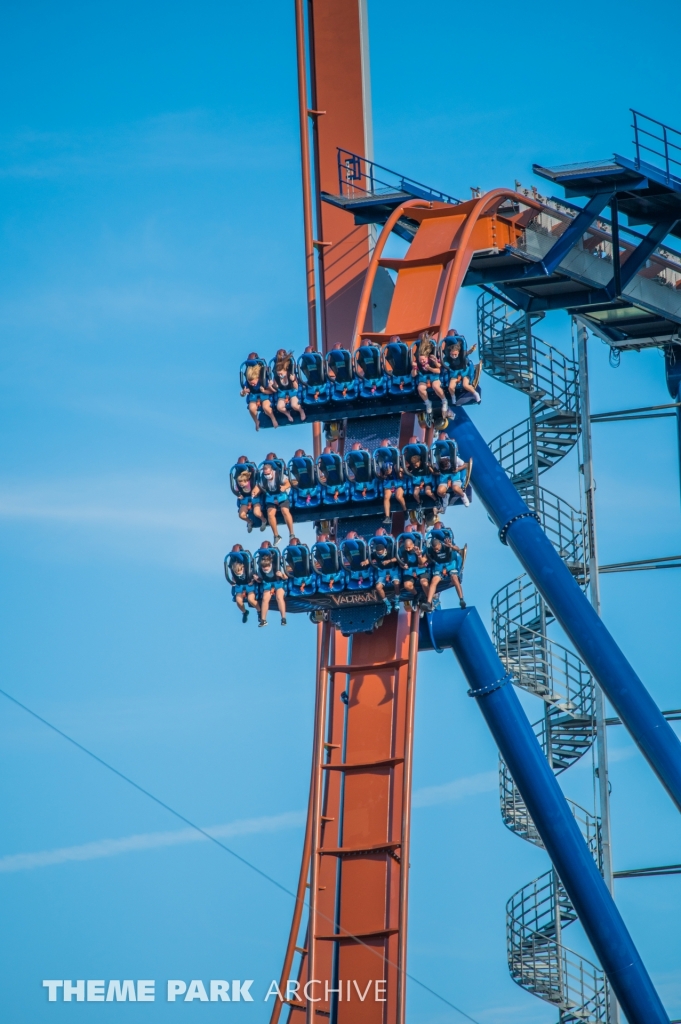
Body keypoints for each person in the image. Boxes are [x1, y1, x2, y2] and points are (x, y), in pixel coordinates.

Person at [425, 527, 466, 609]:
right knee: (434, 581)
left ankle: (461, 599)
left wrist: (451, 546)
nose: (436, 551)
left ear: (440, 544)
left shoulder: (446, 545)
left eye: (437, 549)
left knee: (454, 578)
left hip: (450, 564)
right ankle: (428, 603)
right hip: (439, 565)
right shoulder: (431, 549)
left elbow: (458, 549)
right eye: (434, 549)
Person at [258, 453, 294, 544]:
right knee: (270, 514)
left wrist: (285, 487)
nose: (267, 475)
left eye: (268, 473)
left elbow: (288, 482)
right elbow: (258, 486)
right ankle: (276, 535)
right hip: (271, 496)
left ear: (272, 470)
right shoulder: (263, 478)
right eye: (265, 474)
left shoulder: (279, 475)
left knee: (284, 511)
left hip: (281, 495)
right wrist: (255, 491)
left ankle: (291, 534)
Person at [413, 331, 448, 417]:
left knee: (436, 386)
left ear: (426, 357)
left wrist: (430, 368)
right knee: (420, 388)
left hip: (434, 376)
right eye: (421, 360)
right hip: (423, 378)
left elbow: (439, 370)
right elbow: (413, 375)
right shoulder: (417, 362)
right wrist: (414, 368)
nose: (422, 361)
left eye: (423, 360)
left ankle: (444, 401)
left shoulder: (432, 358)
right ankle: (428, 403)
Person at [240, 353, 278, 429]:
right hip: (254, 396)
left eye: (253, 383)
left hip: (264, 395)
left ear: (257, 378)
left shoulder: (263, 380)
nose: (252, 385)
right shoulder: (248, 382)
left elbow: (272, 391)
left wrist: (264, 391)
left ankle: (273, 418)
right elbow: (242, 393)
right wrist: (244, 392)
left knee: (266, 407)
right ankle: (256, 421)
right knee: (251, 408)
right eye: (251, 384)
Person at [432, 434, 471, 508]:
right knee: (439, 491)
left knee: (455, 488)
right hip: (444, 479)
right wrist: (436, 472)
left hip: (455, 478)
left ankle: (463, 496)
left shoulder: (454, 459)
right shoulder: (438, 461)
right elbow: (435, 470)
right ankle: (445, 497)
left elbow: (465, 465)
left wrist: (458, 469)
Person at [441, 331, 480, 404]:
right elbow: (445, 362)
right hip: (455, 372)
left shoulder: (462, 355)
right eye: (452, 354)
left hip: (464, 371)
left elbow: (467, 353)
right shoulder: (448, 357)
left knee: (465, 385)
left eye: (455, 355)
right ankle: (453, 397)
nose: (454, 356)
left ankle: (475, 394)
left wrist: (472, 349)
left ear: (458, 352)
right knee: (451, 387)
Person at [254, 541, 288, 626]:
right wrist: (257, 579)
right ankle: (263, 620)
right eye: (263, 568)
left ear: (270, 565)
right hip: (267, 584)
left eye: (267, 567)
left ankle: (283, 618)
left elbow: (286, 577)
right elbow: (260, 580)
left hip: (278, 582)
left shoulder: (276, 566)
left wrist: (281, 575)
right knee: (265, 599)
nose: (265, 569)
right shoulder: (261, 570)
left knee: (279, 597)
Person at [373, 439, 407, 524]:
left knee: (398, 496)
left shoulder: (395, 455)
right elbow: (381, 475)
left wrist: (397, 470)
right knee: (386, 497)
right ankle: (387, 517)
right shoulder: (381, 459)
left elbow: (402, 470)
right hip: (388, 481)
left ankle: (405, 510)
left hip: (398, 480)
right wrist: (385, 474)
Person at [225, 544, 259, 623]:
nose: (238, 573)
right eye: (236, 573)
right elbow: (233, 577)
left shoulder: (247, 566)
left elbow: (254, 576)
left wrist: (254, 580)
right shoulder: (233, 566)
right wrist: (233, 582)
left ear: (243, 568)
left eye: (239, 572)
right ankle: (244, 612)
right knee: (238, 601)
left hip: (249, 584)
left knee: (251, 599)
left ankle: (259, 611)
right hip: (240, 585)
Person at [230, 456, 267, 531]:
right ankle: (250, 522)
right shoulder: (239, 484)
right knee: (241, 515)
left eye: (242, 483)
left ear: (246, 481)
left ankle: (263, 520)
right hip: (245, 499)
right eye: (240, 484)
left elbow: (259, 487)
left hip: (254, 498)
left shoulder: (252, 482)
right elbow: (236, 491)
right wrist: (238, 495)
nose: (241, 485)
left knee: (256, 512)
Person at [271, 349, 306, 422]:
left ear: (286, 371)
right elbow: (275, 389)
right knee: (279, 407)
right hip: (282, 392)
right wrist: (272, 385)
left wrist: (293, 380)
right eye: (278, 374)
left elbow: (296, 387)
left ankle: (301, 411)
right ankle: (288, 414)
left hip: (292, 390)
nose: (280, 375)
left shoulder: (290, 375)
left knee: (294, 405)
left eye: (281, 373)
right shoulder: (277, 378)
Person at [397, 527, 430, 604]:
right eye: (406, 548)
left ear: (413, 545)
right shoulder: (402, 550)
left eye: (409, 547)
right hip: (409, 570)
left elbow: (422, 562)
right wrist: (402, 566)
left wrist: (419, 555)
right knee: (407, 585)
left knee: (424, 582)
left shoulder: (421, 548)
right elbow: (400, 562)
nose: (407, 549)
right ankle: (417, 594)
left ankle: (429, 600)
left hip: (420, 568)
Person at [370, 529, 400, 609]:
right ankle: (387, 603)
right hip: (382, 572)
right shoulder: (375, 553)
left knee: (396, 583)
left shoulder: (391, 549)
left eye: (381, 553)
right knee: (378, 587)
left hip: (392, 569)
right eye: (378, 553)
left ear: (384, 550)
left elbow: (398, 558)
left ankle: (397, 599)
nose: (380, 554)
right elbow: (370, 558)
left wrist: (389, 561)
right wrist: (366, 561)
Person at [402, 437, 436, 506]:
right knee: (415, 493)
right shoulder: (411, 461)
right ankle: (419, 502)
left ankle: (436, 500)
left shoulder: (424, 459)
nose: (415, 466)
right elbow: (407, 467)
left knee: (428, 492)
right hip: (417, 480)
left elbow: (432, 470)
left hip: (426, 479)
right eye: (414, 465)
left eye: (416, 465)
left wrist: (429, 466)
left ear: (420, 462)